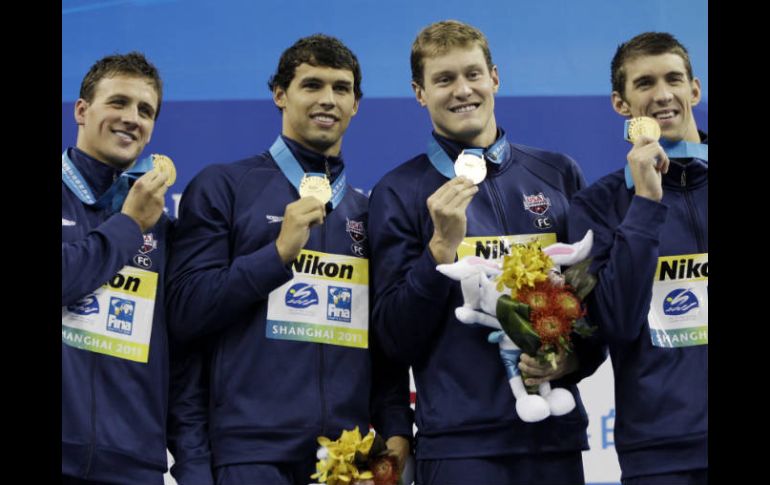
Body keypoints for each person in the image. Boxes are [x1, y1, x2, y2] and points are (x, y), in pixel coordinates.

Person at [165, 34, 413, 485]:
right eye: (311, 85)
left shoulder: (366, 210)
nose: (328, 100)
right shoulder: (224, 186)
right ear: (279, 94)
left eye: (341, 89)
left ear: (356, 104)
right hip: (250, 454)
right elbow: (183, 312)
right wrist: (276, 255)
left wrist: (396, 426)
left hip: (346, 460)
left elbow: (382, 338)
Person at [368, 20, 606, 485]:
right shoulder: (398, 192)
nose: (462, 91)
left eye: (472, 74)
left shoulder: (557, 174)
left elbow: (595, 307)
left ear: (494, 77)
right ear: (420, 93)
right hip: (460, 448)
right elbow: (392, 340)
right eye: (443, 79)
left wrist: (572, 361)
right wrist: (438, 250)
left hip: (554, 440)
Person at [568, 32, 707, 485]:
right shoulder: (597, 205)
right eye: (644, 83)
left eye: (673, 79)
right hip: (660, 452)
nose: (663, 95)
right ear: (621, 104)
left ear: (695, 90)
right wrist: (646, 201)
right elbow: (616, 324)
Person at [61, 52, 172, 485]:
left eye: (145, 110)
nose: (132, 118)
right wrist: (128, 226)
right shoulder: (140, 219)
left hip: (133, 464)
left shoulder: (163, 227)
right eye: (118, 102)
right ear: (82, 110)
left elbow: (178, 356)